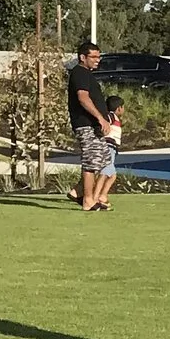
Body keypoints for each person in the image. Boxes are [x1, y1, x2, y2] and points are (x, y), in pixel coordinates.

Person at [65, 41, 113, 211]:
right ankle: (88, 200)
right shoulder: (80, 73)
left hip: (95, 126)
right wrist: (100, 118)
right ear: (82, 57)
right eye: (93, 57)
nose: (97, 60)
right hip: (86, 125)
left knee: (104, 159)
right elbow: (83, 98)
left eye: (99, 57)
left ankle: (77, 191)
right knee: (91, 161)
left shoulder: (87, 74)